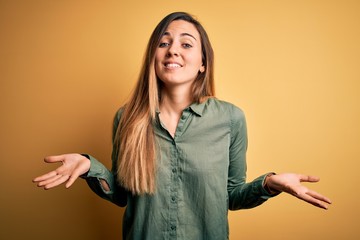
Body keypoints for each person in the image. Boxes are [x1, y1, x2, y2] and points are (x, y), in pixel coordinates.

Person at [33, 12, 331, 240]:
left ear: (203, 62)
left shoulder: (231, 119)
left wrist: (269, 183)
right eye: (164, 42)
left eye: (186, 43)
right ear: (154, 57)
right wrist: (89, 166)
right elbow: (124, 196)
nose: (173, 49)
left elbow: (231, 196)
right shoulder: (126, 118)